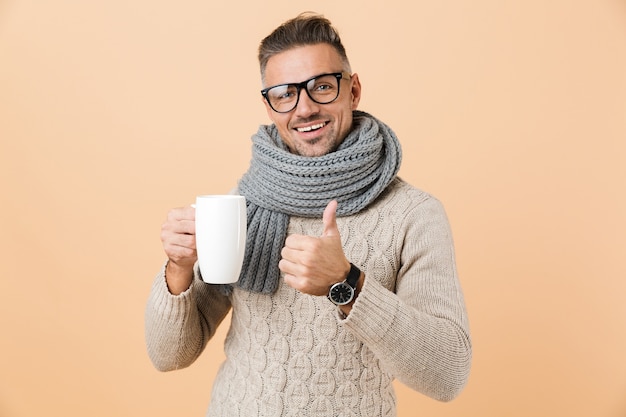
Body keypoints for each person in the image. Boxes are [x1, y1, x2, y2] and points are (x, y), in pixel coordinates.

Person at [145, 12, 472, 417]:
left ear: (353, 90)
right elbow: (169, 355)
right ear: (269, 106)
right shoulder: (246, 201)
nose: (304, 109)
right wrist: (177, 270)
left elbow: (448, 375)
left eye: (321, 87)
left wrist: (347, 284)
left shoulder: (413, 214)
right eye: (284, 93)